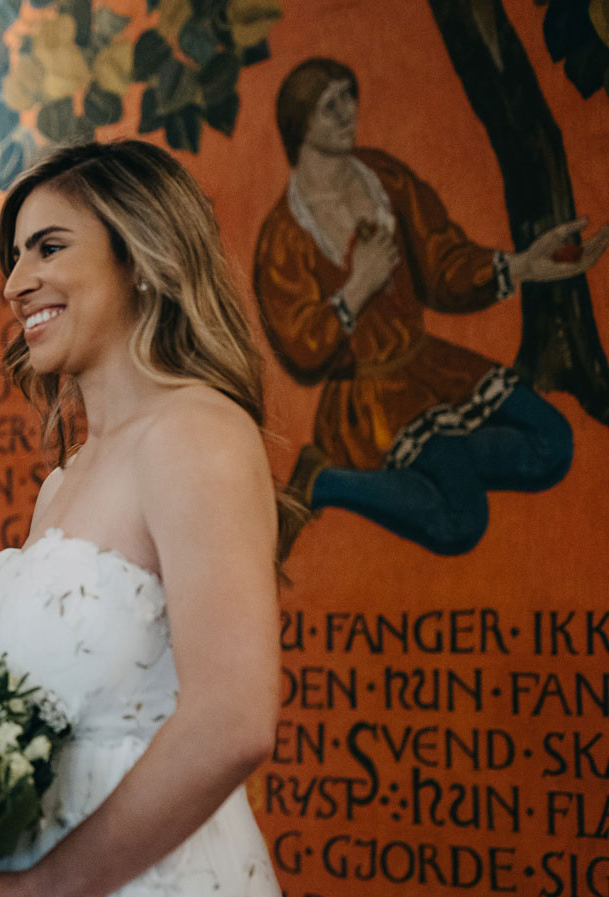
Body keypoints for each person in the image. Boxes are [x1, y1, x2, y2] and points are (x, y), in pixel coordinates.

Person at [0, 141, 311, 897]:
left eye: (48, 247)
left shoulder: (198, 433)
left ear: (142, 256)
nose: (13, 284)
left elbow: (233, 720)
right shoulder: (60, 485)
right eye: (13, 259)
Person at [253, 57, 606, 558]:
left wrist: (522, 265)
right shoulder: (284, 236)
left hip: (429, 364)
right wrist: (358, 288)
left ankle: (442, 461)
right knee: (462, 523)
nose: (347, 111)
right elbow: (298, 346)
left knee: (553, 443)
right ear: (299, 125)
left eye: (348, 96)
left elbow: (441, 264)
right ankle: (326, 481)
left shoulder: (382, 176)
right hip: (373, 400)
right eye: (328, 105)